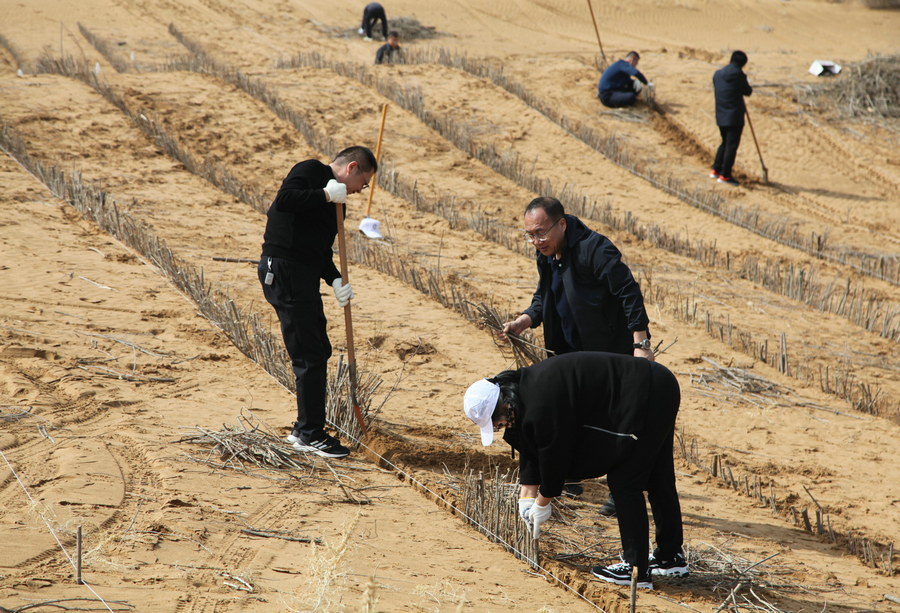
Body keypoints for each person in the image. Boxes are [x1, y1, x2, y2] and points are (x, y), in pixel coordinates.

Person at [463, 352, 687, 590]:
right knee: (658, 476)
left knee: (625, 481)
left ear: (505, 404)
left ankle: (636, 571)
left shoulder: (541, 403)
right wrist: (526, 498)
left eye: (496, 422)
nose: (497, 428)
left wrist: (542, 501)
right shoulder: (522, 390)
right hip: (655, 384)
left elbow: (555, 454)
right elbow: (531, 446)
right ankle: (670, 557)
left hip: (647, 392)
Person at [501, 197, 654, 515]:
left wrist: (641, 343)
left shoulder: (595, 249)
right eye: (529, 234)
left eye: (541, 233)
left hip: (608, 354)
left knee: (616, 419)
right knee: (571, 415)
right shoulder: (545, 255)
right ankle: (568, 475)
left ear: (562, 224)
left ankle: (622, 488)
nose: (535, 241)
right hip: (570, 355)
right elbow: (544, 296)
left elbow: (629, 291)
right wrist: (525, 320)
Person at [258, 147, 376, 458]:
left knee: (317, 349)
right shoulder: (311, 171)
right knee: (309, 353)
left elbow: (320, 252)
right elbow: (285, 201)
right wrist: (324, 194)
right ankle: (311, 433)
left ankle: (303, 429)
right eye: (362, 183)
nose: (359, 191)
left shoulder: (338, 204)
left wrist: (335, 279)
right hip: (284, 270)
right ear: (351, 167)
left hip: (304, 275)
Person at [711, 51, 752, 187]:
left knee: (725, 142)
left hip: (720, 114)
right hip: (734, 116)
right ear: (742, 65)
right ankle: (725, 175)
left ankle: (716, 169)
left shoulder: (717, 74)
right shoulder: (739, 76)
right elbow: (748, 91)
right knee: (731, 146)